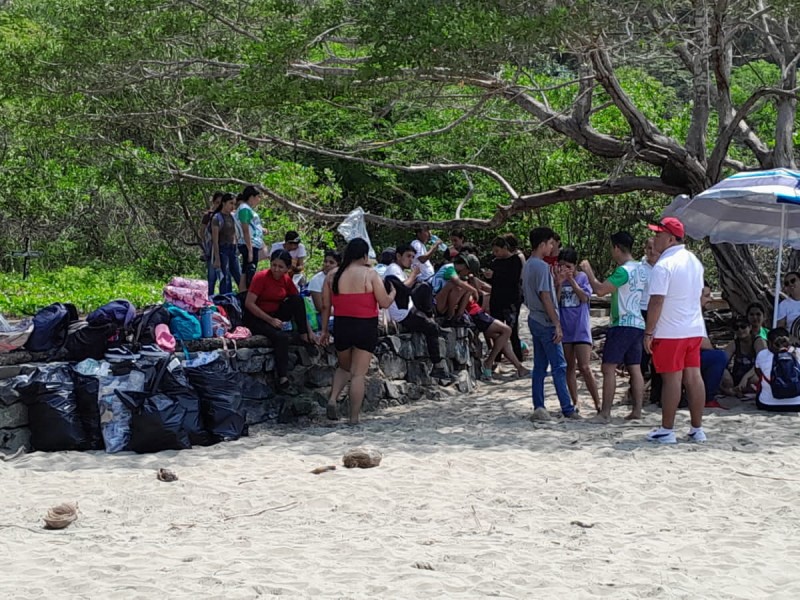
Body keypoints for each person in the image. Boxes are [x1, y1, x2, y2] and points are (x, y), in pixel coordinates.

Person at [643, 217, 707, 444]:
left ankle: (667, 429)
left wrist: (649, 332)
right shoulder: (694, 261)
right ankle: (697, 428)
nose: (655, 239)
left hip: (670, 331)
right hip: (693, 328)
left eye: (659, 235)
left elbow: (656, 301)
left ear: (670, 238)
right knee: (693, 377)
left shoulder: (664, 265)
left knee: (672, 380)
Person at [319, 238, 396, 424]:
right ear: (364, 255)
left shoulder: (332, 275)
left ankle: (332, 399)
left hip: (341, 325)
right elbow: (384, 302)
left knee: (344, 366)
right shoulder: (370, 274)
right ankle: (354, 417)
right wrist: (393, 293)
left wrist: (324, 331)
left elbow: (325, 306)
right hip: (365, 325)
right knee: (358, 374)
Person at [581, 231, 647, 421]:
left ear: (617, 248)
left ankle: (605, 412)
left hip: (622, 323)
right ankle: (637, 410)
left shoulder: (623, 271)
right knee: (635, 367)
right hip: (637, 323)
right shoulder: (641, 269)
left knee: (608, 367)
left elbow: (600, 290)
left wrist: (589, 272)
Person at [433, 254, 529, 379]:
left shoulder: (466, 280)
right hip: (474, 313)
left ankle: (518, 367)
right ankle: (490, 363)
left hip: (476, 312)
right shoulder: (457, 280)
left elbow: (484, 287)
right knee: (506, 331)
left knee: (502, 337)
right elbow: (461, 293)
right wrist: (470, 295)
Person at [243, 250, 317, 394]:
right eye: (274, 265)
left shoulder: (285, 280)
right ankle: (282, 377)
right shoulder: (261, 277)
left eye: (280, 267)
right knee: (280, 337)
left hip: (275, 313)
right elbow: (249, 303)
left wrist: (308, 330)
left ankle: (303, 336)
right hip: (257, 316)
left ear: (287, 268)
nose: (276, 269)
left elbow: (299, 304)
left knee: (297, 300)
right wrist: (270, 320)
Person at [523, 227, 577, 420]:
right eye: (550, 243)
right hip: (545, 320)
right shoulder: (542, 266)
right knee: (559, 366)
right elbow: (545, 296)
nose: (553, 246)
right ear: (542, 244)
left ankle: (539, 405)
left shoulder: (528, 264)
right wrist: (557, 323)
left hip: (533, 318)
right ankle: (568, 408)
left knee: (539, 366)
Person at [383, 244, 450, 379]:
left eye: (413, 257)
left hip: (408, 308)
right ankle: (437, 366)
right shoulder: (392, 270)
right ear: (398, 256)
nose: (411, 260)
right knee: (431, 328)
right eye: (408, 256)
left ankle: (430, 317)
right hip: (401, 314)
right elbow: (404, 288)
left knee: (425, 287)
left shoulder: (399, 270)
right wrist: (413, 275)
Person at [556, 247, 600, 413]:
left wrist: (572, 281)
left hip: (580, 328)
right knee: (569, 366)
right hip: (565, 329)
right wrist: (559, 283)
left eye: (568, 266)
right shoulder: (557, 279)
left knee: (584, 367)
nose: (564, 269)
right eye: (561, 266)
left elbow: (584, 298)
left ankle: (597, 402)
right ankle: (575, 401)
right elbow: (556, 302)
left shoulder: (582, 278)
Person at [484, 235, 523, 361]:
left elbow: (514, 278)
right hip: (497, 299)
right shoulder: (495, 262)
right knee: (498, 330)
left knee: (512, 330)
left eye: (497, 251)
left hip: (511, 300)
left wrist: (496, 275)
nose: (495, 254)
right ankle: (497, 358)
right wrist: (488, 276)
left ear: (505, 248)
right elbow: (492, 281)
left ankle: (518, 357)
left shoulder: (515, 260)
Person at [754, 327, 800, 412]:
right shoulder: (798, 352)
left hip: (768, 404)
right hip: (797, 404)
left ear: (769, 343)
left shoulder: (762, 354)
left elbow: (758, 373)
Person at [210, 192, 242, 296]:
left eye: (234, 204)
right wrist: (217, 258)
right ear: (224, 203)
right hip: (223, 250)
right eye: (230, 203)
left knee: (239, 276)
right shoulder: (217, 218)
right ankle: (226, 301)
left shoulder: (233, 217)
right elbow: (215, 240)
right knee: (226, 278)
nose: (232, 206)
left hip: (233, 250)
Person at [237, 186, 265, 290]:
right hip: (249, 244)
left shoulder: (248, 209)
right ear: (251, 197)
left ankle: (244, 293)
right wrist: (250, 251)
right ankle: (246, 293)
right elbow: (245, 230)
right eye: (258, 197)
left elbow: (251, 226)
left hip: (253, 243)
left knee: (246, 270)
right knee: (249, 272)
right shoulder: (244, 209)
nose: (259, 200)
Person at [201, 191, 223, 295]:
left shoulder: (225, 216)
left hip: (223, 248)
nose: (219, 205)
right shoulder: (208, 215)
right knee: (211, 276)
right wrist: (207, 246)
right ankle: (209, 297)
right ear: (214, 202)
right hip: (211, 249)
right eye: (217, 202)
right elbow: (202, 231)